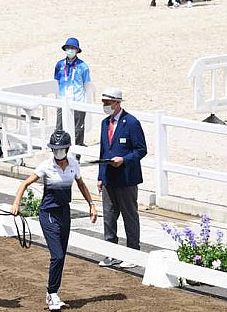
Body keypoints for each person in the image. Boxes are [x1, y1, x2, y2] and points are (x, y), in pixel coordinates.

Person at [11, 129, 97, 311]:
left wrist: (92, 205)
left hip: (65, 212)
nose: (58, 153)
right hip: (48, 213)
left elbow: (81, 184)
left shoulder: (74, 164)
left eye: (61, 149)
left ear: (67, 149)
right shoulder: (46, 166)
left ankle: (54, 292)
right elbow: (25, 184)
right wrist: (16, 204)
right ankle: (51, 293)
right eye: (55, 150)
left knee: (61, 256)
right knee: (57, 254)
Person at [97, 88, 147, 269]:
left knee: (129, 216)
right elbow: (103, 150)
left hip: (127, 178)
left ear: (117, 103)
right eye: (103, 103)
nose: (104, 106)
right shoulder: (104, 124)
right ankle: (111, 253)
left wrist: (124, 160)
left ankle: (133, 252)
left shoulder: (132, 123)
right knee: (109, 217)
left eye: (107, 103)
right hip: (109, 178)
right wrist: (101, 176)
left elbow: (141, 150)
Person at [54, 37, 92, 149]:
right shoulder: (59, 65)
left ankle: (77, 154)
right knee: (59, 126)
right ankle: (58, 149)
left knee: (78, 129)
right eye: (68, 48)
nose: (70, 50)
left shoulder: (83, 66)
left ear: (77, 50)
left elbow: (87, 84)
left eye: (73, 48)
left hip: (78, 99)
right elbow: (56, 81)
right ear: (65, 49)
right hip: (63, 98)